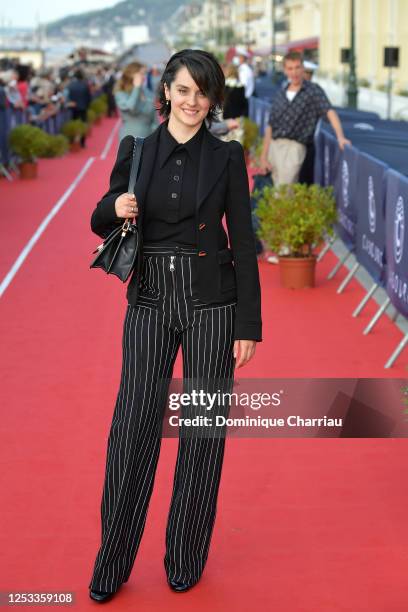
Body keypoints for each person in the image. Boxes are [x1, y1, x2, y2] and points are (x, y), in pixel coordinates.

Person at [88, 48, 262, 602]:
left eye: (202, 93)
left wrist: (249, 325)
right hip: (150, 300)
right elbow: (100, 215)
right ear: (165, 91)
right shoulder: (137, 150)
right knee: (132, 428)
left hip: (214, 304)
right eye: (183, 90)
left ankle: (185, 555)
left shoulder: (228, 156)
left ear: (213, 100)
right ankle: (112, 562)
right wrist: (116, 206)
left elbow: (245, 242)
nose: (192, 102)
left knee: (201, 435)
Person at [259, 51, 350, 186]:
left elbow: (329, 111)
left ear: (302, 68)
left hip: (295, 148)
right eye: (290, 68)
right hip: (275, 147)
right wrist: (263, 156)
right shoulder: (281, 93)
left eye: (297, 67)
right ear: (285, 70)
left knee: (284, 194)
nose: (294, 72)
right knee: (274, 194)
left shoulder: (313, 91)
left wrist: (340, 136)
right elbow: (270, 126)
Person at [114, 61, 159, 143]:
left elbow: (155, 119)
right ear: (131, 75)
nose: (144, 77)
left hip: (148, 140)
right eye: (141, 74)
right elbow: (131, 108)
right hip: (129, 141)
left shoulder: (147, 92)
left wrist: (157, 136)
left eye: (144, 74)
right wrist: (136, 88)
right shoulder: (121, 94)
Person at [67, 69, 92, 148]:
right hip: (83, 108)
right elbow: (89, 97)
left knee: (74, 123)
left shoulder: (71, 85)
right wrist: (87, 105)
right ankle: (82, 142)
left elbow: (68, 97)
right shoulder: (85, 85)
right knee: (83, 124)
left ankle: (72, 141)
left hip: (73, 108)